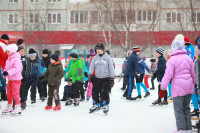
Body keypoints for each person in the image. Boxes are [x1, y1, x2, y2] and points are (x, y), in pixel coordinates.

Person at [160, 37, 196, 132]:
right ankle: (188, 129)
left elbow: (168, 75)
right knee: (186, 108)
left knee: (178, 109)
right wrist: (195, 83)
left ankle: (181, 129)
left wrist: (163, 88)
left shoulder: (172, 60)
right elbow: (193, 73)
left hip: (178, 88)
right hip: (189, 87)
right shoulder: (188, 58)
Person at [89, 43, 115, 114]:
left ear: (103, 50)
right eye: (97, 49)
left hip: (106, 78)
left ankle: (105, 104)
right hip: (97, 78)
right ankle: (96, 104)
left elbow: (111, 68)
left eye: (99, 49)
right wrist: (90, 75)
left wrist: (112, 78)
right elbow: (91, 67)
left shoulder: (108, 58)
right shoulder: (95, 58)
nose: (98, 50)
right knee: (95, 92)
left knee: (104, 92)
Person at [2, 44, 23, 114]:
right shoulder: (8, 59)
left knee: (15, 93)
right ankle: (10, 105)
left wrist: (7, 72)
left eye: (8, 51)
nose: (7, 53)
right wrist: (3, 75)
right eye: (7, 51)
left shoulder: (16, 59)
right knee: (9, 93)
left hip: (16, 79)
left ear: (13, 51)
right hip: (10, 79)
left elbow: (16, 69)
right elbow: (6, 68)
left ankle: (18, 106)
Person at [17, 46, 28, 110]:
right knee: (16, 90)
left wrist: (26, 74)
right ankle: (15, 102)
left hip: (23, 77)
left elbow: (28, 67)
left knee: (23, 90)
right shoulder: (15, 58)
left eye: (23, 51)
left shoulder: (25, 59)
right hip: (16, 77)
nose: (23, 52)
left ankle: (23, 101)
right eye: (21, 51)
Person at [0, 34, 9, 101]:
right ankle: (3, 95)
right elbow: (5, 57)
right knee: (3, 80)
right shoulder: (3, 45)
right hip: (2, 65)